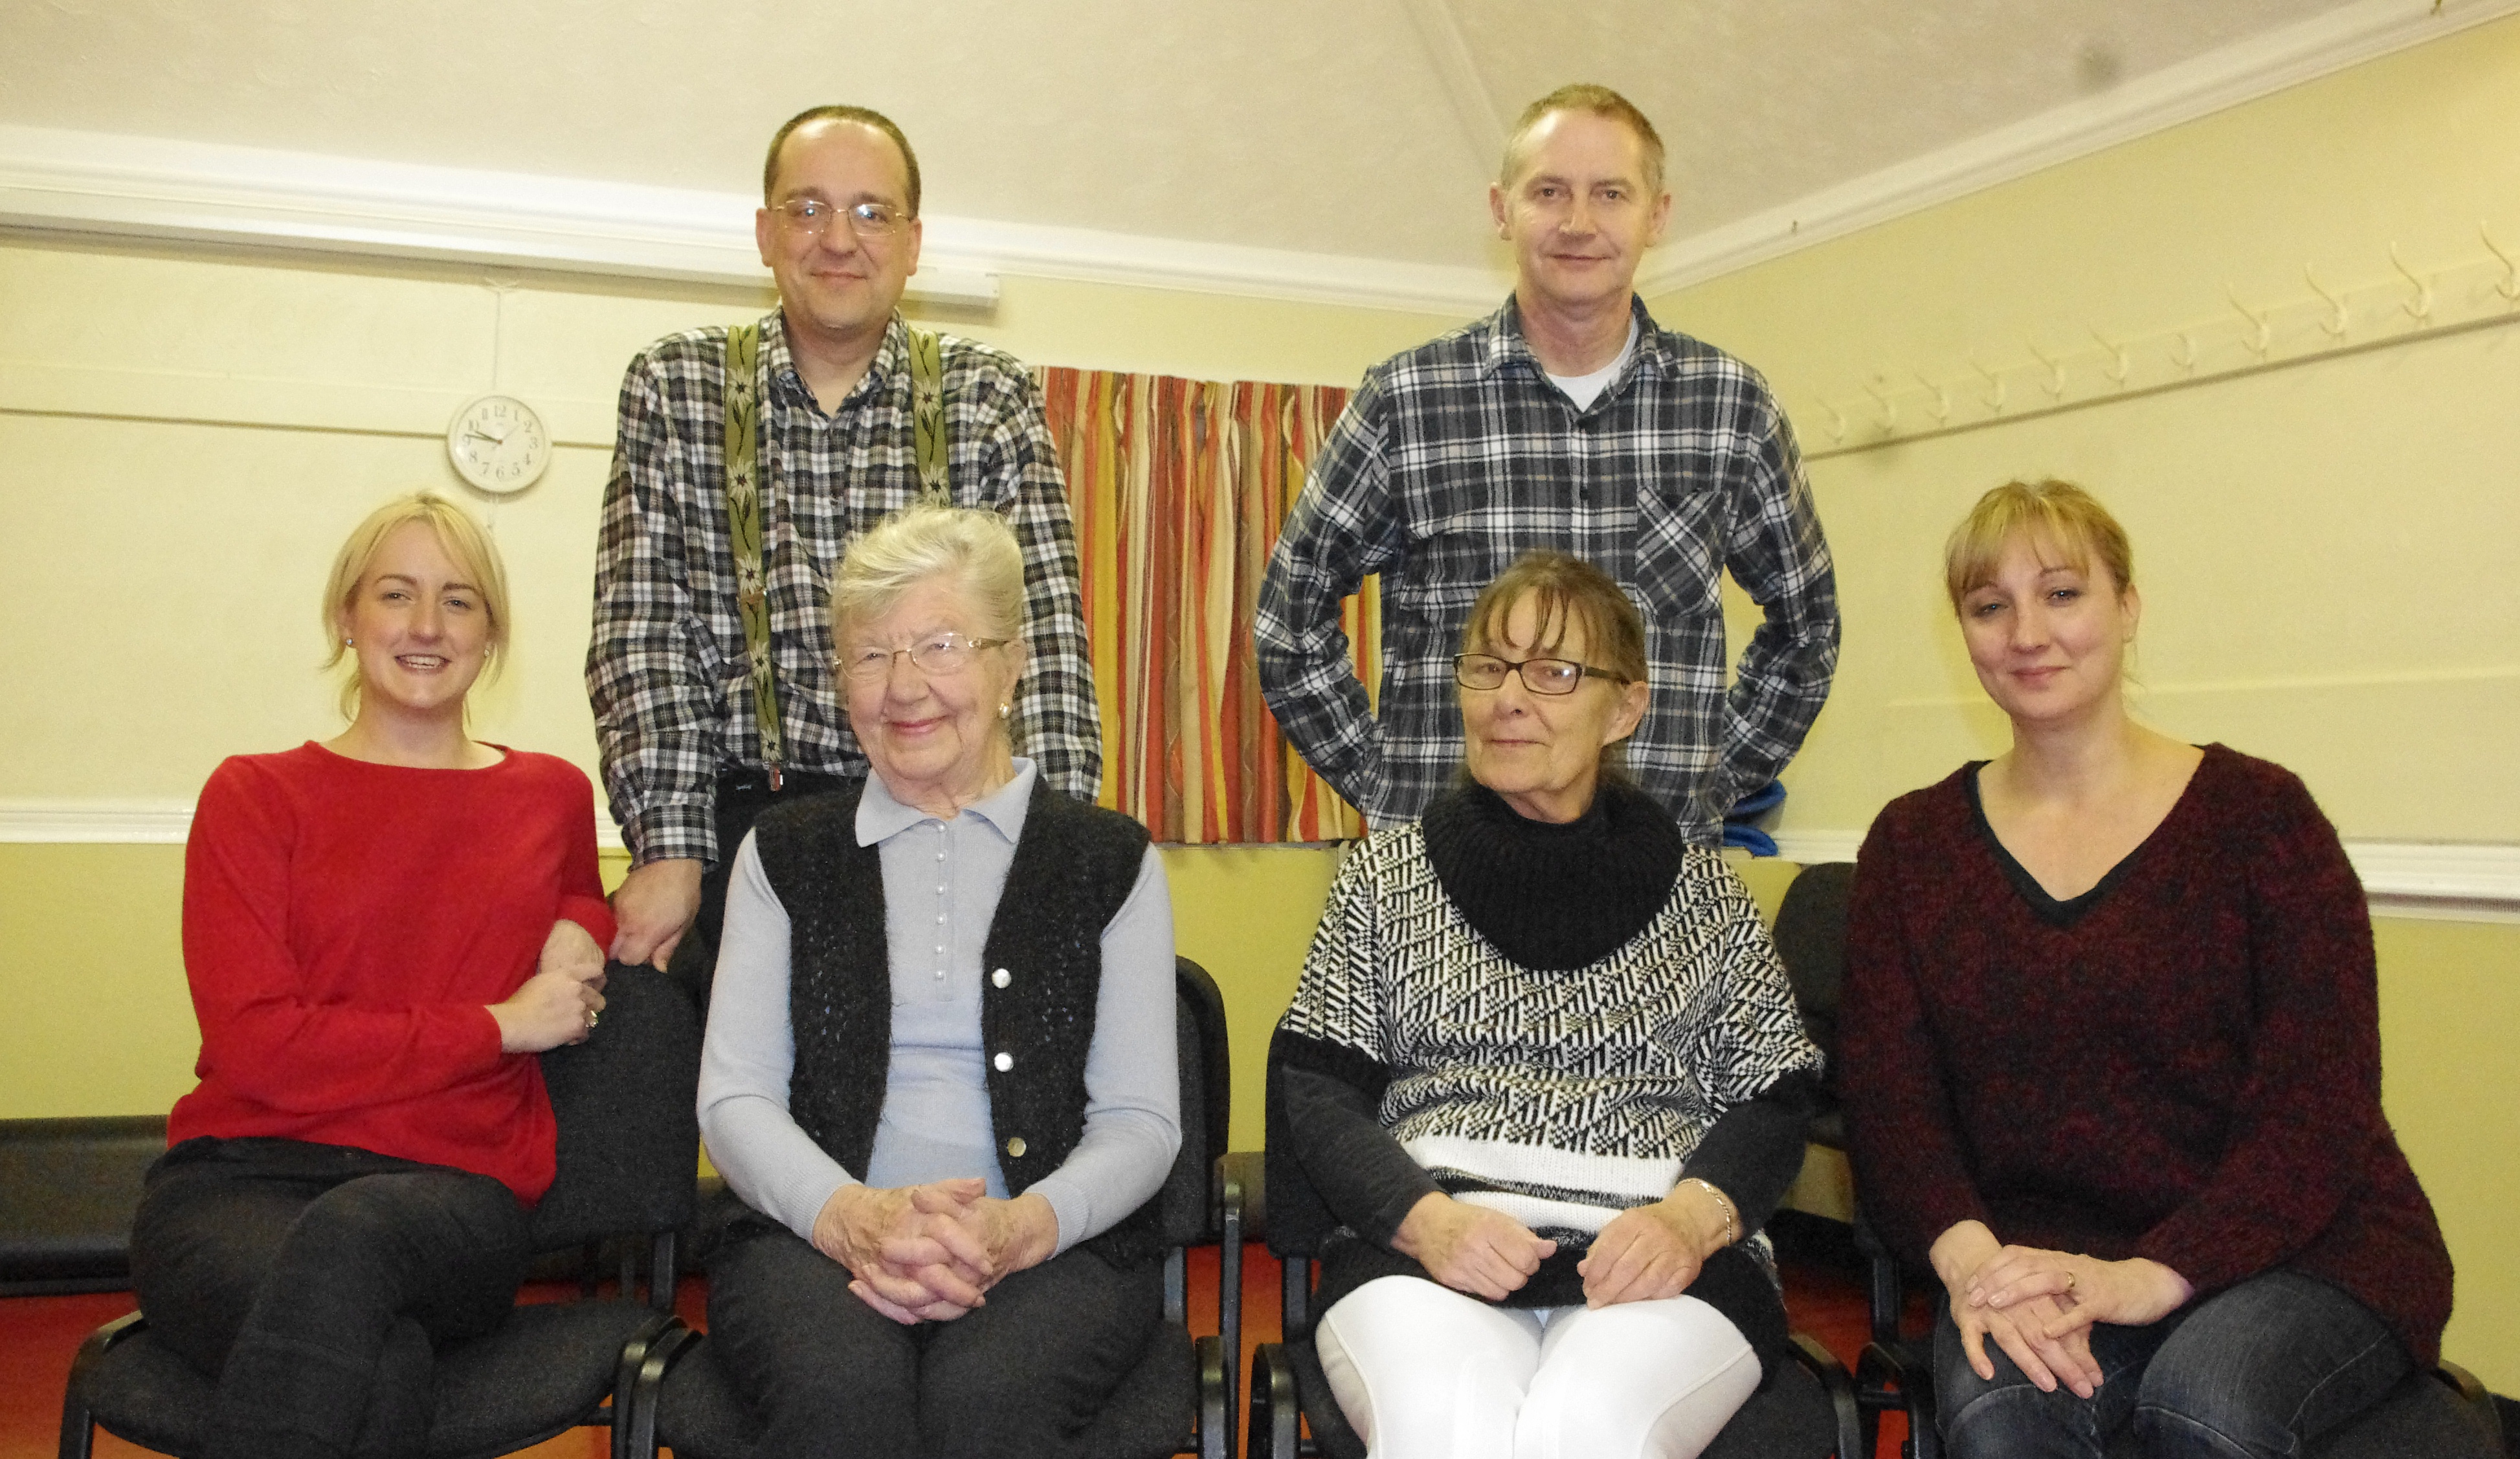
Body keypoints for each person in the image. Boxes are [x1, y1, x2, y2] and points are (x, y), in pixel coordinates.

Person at [1839, 480, 2464, 1458]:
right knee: (2000, 1423)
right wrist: (1972, 1265)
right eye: (1989, 605)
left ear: (2126, 608)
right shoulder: (1911, 845)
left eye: (2061, 593)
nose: (2026, 632)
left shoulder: (2262, 819)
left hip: (2298, 1246)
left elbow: (2318, 1107)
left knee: (2202, 1404)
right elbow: (1890, 1105)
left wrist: (2153, 1273)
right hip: (2038, 1259)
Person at [1271, 550, 1824, 1459]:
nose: (1507, 698)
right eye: (1487, 666)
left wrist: (1688, 1222)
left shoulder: (1708, 900)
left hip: (1660, 1267)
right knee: (1442, 1432)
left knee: (1587, 1430)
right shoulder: (1382, 881)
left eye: (1553, 672)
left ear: (1626, 707)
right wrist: (1425, 1220)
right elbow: (1317, 1093)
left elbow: (1776, 1100)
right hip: (1426, 1254)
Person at [130, 493, 613, 1459]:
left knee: (356, 1241)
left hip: (455, 1193)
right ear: (346, 617)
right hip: (241, 1182)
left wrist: (582, 920)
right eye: (396, 594)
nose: (427, 626)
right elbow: (259, 1046)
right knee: (379, 1369)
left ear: (492, 637)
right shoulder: (254, 796)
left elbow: (579, 893)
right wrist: (496, 1026)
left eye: (460, 601)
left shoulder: (551, 793)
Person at [695, 504, 1179, 1456]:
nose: (903, 686)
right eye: (869, 656)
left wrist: (1023, 1228)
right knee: (841, 1400)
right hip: (808, 1240)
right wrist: (852, 1217)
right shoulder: (783, 854)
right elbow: (736, 1095)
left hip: (1055, 1248)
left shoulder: (1108, 858)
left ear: (1011, 663)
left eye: (940, 644)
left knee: (988, 1408)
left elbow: (1141, 1119)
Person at [589, 103, 1100, 979]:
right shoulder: (675, 386)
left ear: (912, 242)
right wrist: (669, 845)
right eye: (807, 208)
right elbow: (644, 637)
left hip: (950, 830)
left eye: (872, 212)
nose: (839, 238)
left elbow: (1040, 648)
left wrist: (1042, 849)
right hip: (749, 833)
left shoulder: (991, 396)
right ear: (763, 231)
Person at [1256, 82, 1838, 842]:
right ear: (1502, 209)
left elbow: (1807, 629)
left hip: (1651, 869)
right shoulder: (1405, 400)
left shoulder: (1730, 408)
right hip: (1442, 871)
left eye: (1610, 194)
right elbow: (1287, 619)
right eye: (1549, 192)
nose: (1577, 222)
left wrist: (1714, 775)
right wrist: (1381, 774)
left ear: (1655, 215)